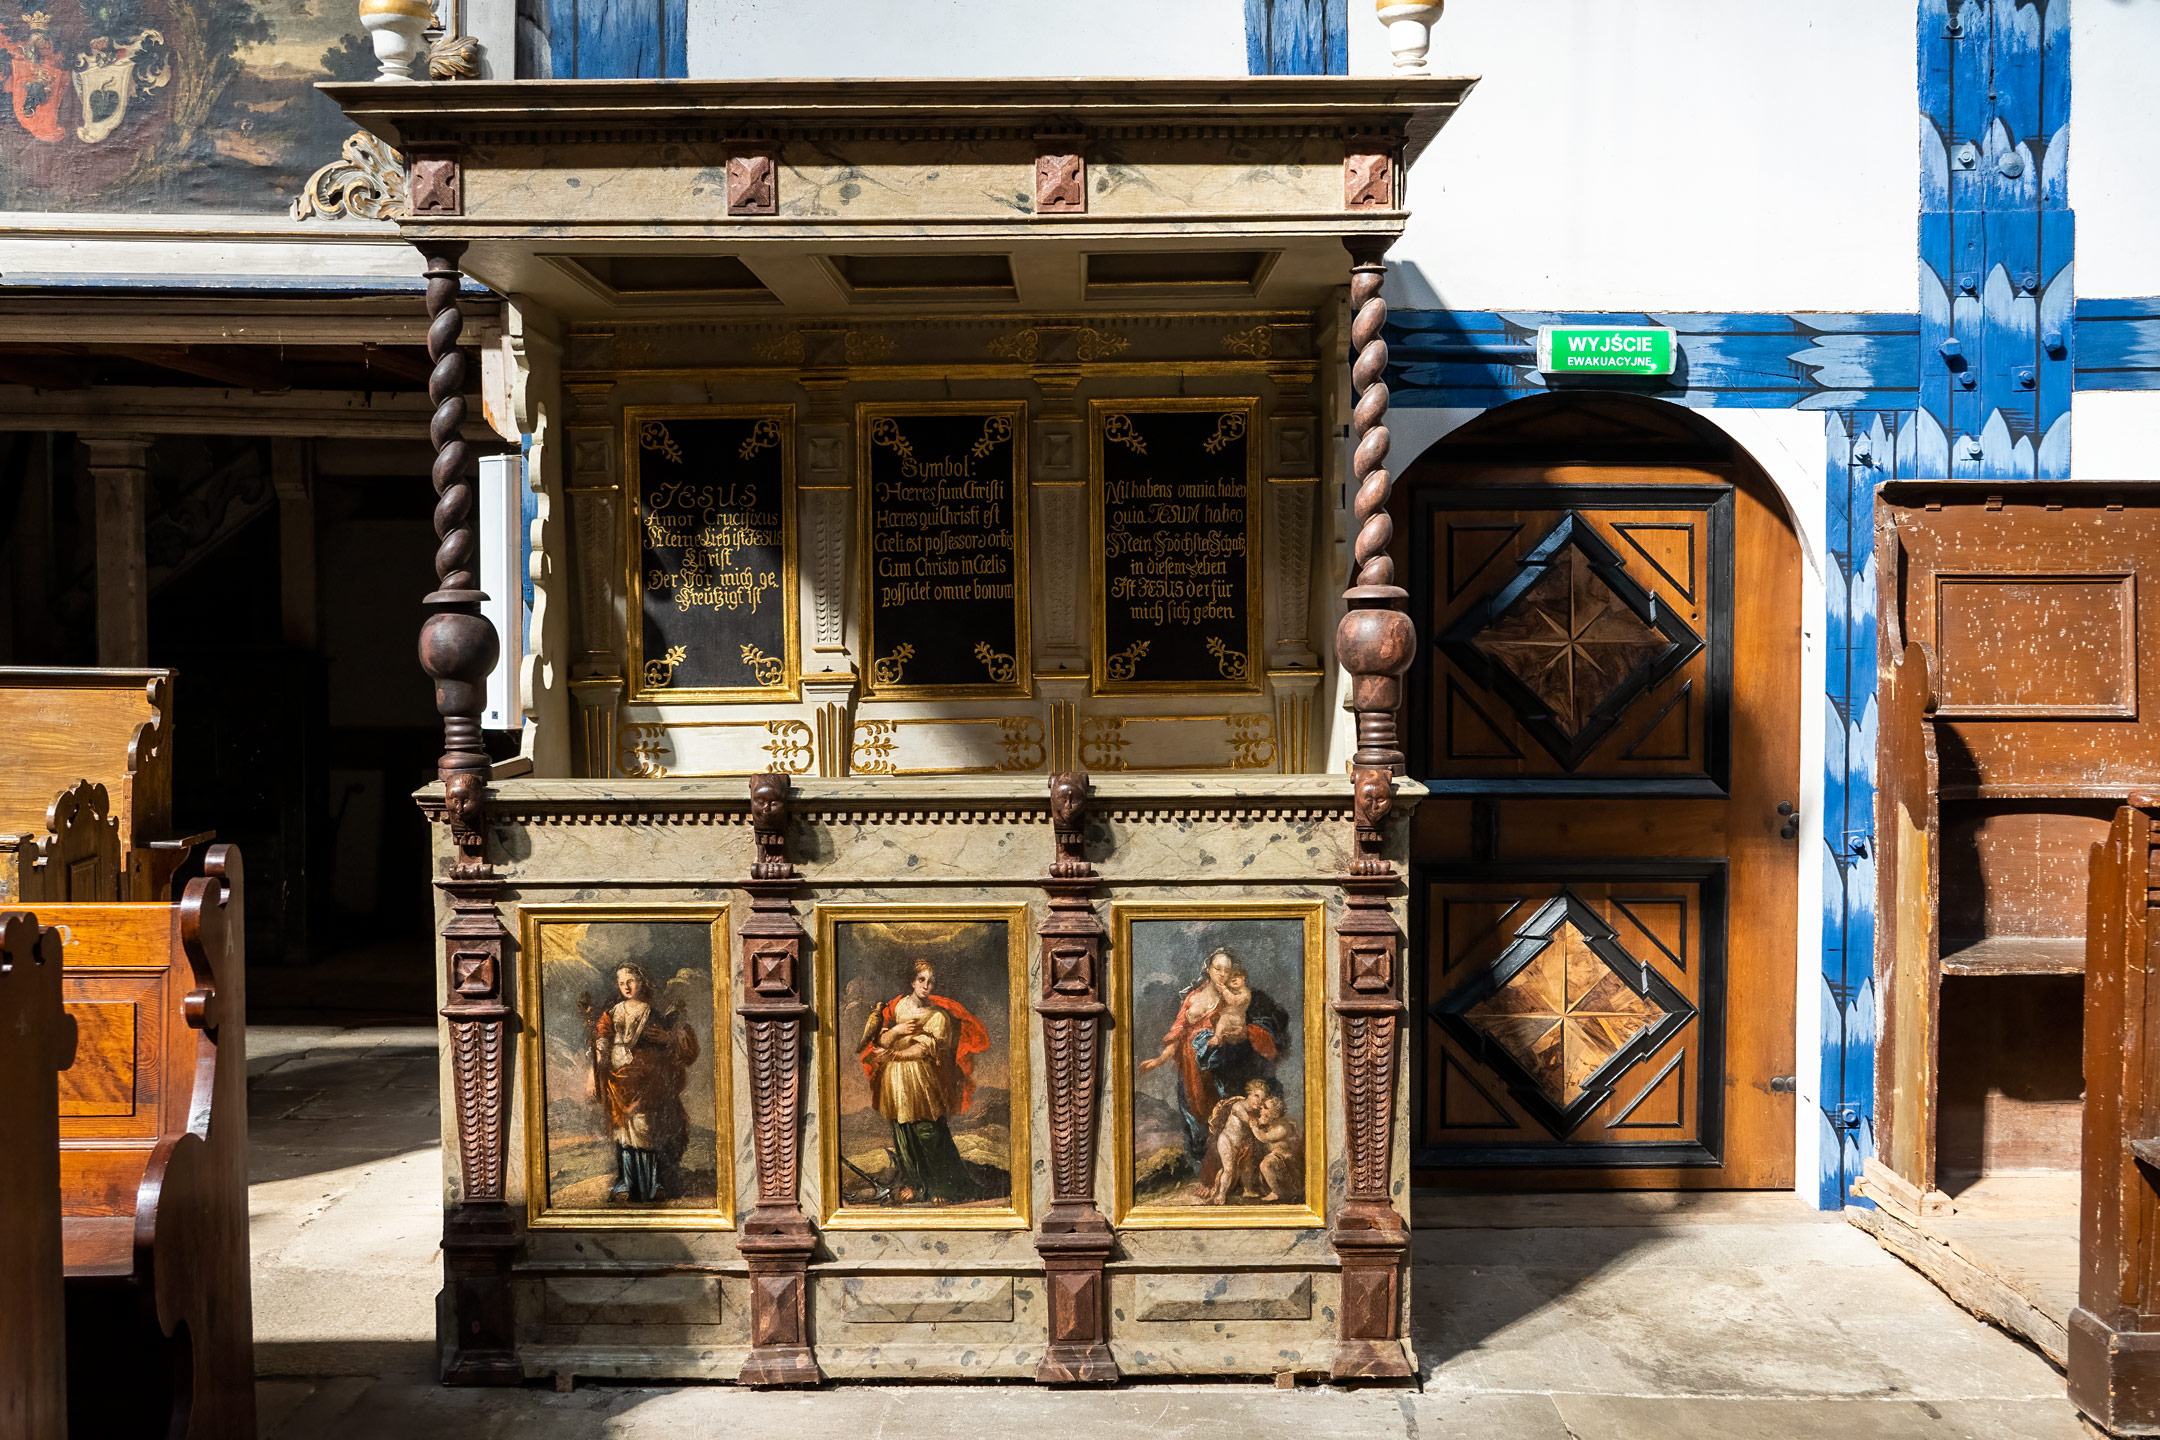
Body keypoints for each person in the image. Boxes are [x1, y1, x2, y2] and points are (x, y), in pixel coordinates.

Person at [1140, 947, 1291, 1193]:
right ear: (1208, 969)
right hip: (1190, 1069)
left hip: (1222, 1068)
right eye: (1217, 969)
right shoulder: (1192, 997)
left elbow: (1259, 1030)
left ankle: (1226, 1179)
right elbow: (1180, 1032)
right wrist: (1159, 1060)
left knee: (1223, 1120)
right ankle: (1207, 1179)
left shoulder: (1237, 996)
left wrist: (1241, 1035)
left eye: (1227, 970)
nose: (1222, 974)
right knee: (1193, 1120)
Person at [859, 958, 989, 1204]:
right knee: (902, 1131)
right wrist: (896, 1032)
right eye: (922, 980)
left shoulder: (938, 1017)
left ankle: (943, 1187)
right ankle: (915, 1184)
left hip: (920, 1079)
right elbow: (880, 1041)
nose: (927, 985)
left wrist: (895, 1053)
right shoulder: (896, 1007)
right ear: (912, 981)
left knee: (928, 1131)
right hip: (895, 1079)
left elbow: (924, 1050)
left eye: (931, 981)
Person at [586, 963, 699, 1203]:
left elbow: (675, 1043)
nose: (626, 987)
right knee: (623, 1132)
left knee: (646, 1129)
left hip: (645, 1079)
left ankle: (653, 1183)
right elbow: (602, 1041)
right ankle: (626, 1183)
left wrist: (668, 1039)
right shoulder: (613, 1012)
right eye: (621, 983)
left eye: (631, 981)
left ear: (642, 982)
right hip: (617, 1080)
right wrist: (594, 1071)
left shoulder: (654, 1012)